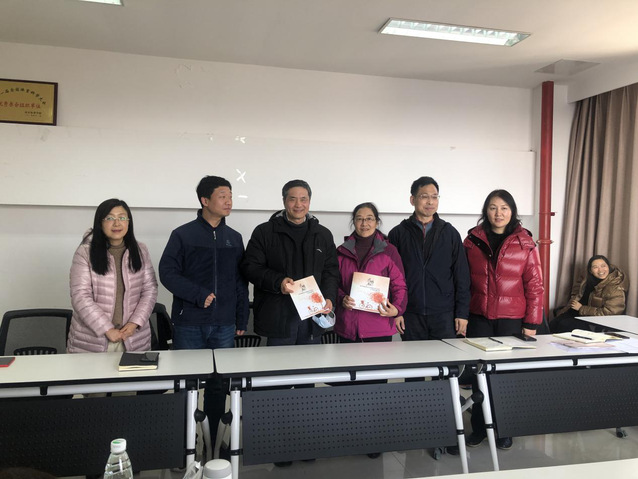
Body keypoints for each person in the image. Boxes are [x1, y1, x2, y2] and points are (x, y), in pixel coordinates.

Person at [159, 175, 249, 444]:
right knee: (186, 385)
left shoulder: (234, 238)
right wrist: (198, 295)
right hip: (189, 323)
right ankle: (185, 443)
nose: (229, 201)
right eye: (223, 196)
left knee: (218, 386)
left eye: (230, 196)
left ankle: (214, 442)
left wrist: (241, 317)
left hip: (224, 324)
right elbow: (167, 273)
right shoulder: (183, 234)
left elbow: (240, 281)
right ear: (205, 200)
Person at [463, 189, 543, 450]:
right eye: (493, 207)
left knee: (507, 378)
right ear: (486, 211)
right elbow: (462, 282)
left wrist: (531, 324)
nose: (498, 213)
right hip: (479, 318)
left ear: (512, 211)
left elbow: (535, 285)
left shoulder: (526, 243)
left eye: (504, 208)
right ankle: (478, 427)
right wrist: (461, 316)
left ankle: (504, 429)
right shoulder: (472, 241)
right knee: (479, 376)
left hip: (512, 320)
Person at [241, 179, 339, 346]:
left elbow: (331, 271)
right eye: (293, 199)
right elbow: (250, 267)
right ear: (284, 201)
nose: (298, 204)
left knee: (311, 361)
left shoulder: (322, 234)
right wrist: (278, 282)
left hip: (312, 317)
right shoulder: (265, 232)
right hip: (278, 316)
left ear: (309, 201)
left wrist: (329, 297)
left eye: (303, 199)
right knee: (279, 362)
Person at [68, 198, 157, 353]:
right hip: (93, 340)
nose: (117, 223)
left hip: (132, 337)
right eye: (110, 218)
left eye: (122, 218)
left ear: (128, 222)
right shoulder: (85, 252)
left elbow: (150, 290)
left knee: (134, 370)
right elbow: (80, 296)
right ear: (100, 223)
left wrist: (135, 323)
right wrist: (106, 329)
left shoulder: (140, 251)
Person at [388, 176, 470, 341]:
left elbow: (461, 276)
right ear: (412, 200)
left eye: (434, 197)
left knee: (446, 357)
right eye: (424, 196)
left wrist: (462, 313)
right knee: (414, 356)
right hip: (410, 312)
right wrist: (397, 311)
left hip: (444, 314)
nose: (430, 202)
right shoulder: (398, 233)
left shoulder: (450, 233)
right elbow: (390, 277)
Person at [336, 202, 407, 343]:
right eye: (359, 219)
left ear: (376, 222)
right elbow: (333, 283)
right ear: (354, 222)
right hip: (348, 327)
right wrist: (342, 298)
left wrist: (397, 309)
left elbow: (399, 285)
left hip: (379, 327)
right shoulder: (341, 251)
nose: (364, 223)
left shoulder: (389, 251)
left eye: (369, 218)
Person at [550, 255, 628, 333]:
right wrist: (574, 300)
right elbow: (576, 289)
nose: (600, 270)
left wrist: (581, 308)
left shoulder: (615, 288)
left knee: (564, 325)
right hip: (576, 312)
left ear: (609, 267)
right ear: (590, 270)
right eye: (595, 267)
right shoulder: (586, 277)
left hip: (593, 320)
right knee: (552, 324)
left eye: (603, 266)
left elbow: (610, 313)